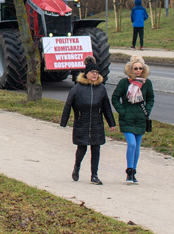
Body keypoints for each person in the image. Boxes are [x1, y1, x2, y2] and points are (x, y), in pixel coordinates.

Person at [60, 56, 116, 185]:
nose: (95, 75)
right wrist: (64, 121)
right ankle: (77, 167)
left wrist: (111, 123)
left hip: (97, 123)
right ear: (87, 73)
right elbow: (68, 105)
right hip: (82, 123)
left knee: (96, 149)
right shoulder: (77, 88)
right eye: (92, 72)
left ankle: (94, 175)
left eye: (97, 73)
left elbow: (106, 108)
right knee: (82, 148)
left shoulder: (101, 89)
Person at [112, 55, 155, 184]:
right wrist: (123, 111)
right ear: (130, 68)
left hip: (141, 119)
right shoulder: (124, 83)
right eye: (135, 68)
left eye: (140, 68)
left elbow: (151, 98)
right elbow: (115, 98)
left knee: (137, 147)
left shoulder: (147, 83)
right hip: (127, 119)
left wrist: (146, 111)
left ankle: (134, 171)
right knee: (131, 144)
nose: (138, 70)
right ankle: (129, 170)